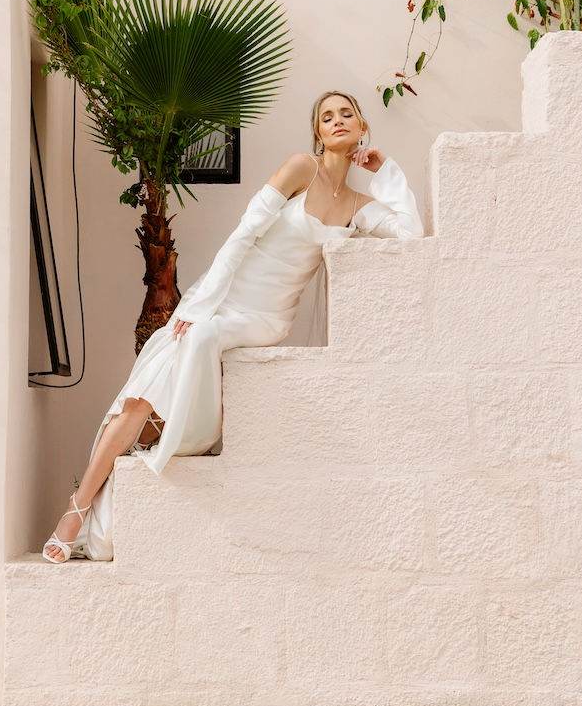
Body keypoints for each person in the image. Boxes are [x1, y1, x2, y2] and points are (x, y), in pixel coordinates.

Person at [42, 90, 424, 563]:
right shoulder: (300, 169)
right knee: (146, 387)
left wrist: (384, 166)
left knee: (198, 340)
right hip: (225, 297)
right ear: (318, 132)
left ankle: (182, 436)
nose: (338, 120)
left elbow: (409, 235)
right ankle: (78, 510)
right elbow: (243, 235)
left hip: (266, 318)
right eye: (327, 116)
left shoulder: (358, 203)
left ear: (362, 127)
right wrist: (198, 304)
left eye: (347, 114)